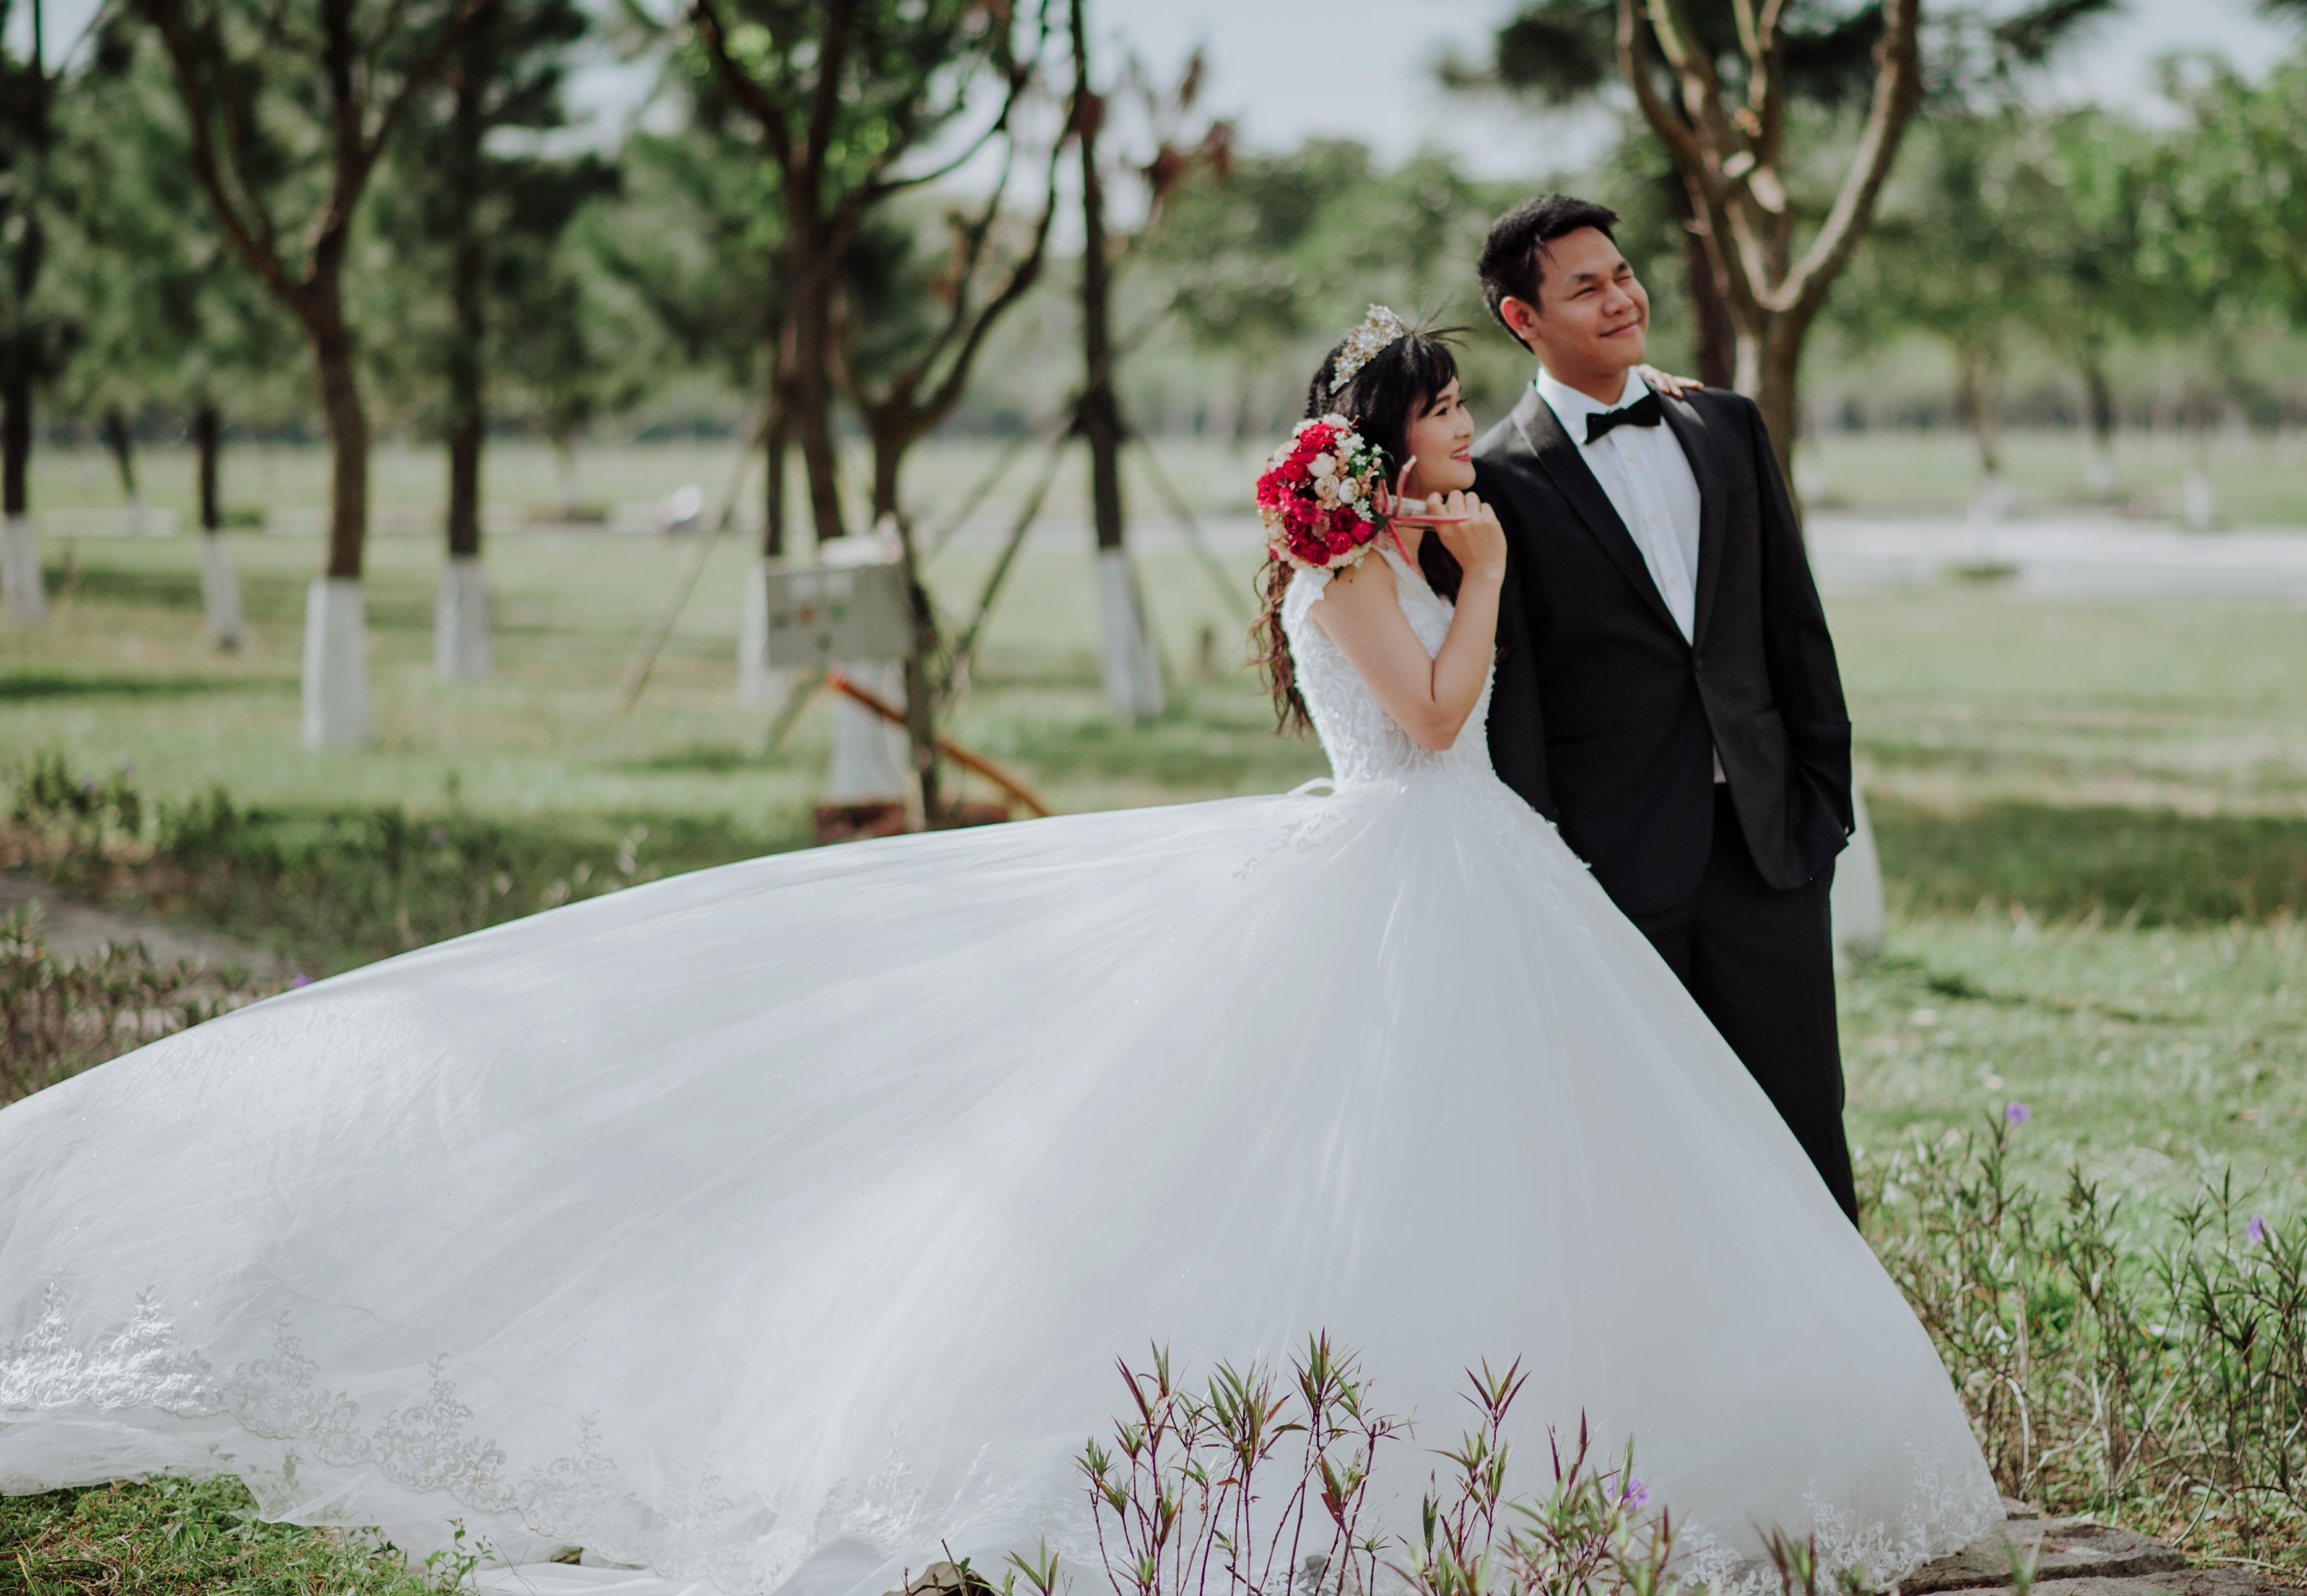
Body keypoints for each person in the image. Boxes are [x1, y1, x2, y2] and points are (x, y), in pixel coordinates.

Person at [0, 314, 1995, 1596]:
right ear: (1390, 437)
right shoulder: (1366, 565)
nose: (1476, 419)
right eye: (1455, 402)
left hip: (1472, 884)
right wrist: (1471, 580)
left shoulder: (1378, 545)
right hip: (1420, 868)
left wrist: (1459, 567)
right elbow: (1448, 724)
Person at [1470, 194, 1865, 1221]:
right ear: (1524, 320)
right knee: (1642, 1146)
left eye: (1625, 274)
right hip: (1616, 862)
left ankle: (1831, 1366)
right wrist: (1552, 863)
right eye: (1585, 287)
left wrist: (1822, 805)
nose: (1621, 299)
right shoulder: (1497, 480)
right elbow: (1518, 698)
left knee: (1802, 1127)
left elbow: (1794, 629)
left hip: (1770, 843)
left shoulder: (1727, 426)